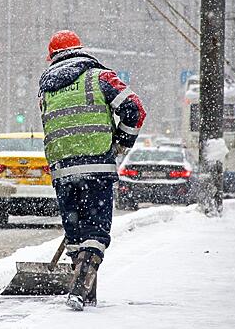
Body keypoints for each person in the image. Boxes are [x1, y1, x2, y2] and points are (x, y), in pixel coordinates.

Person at [38, 30, 146, 310]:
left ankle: (85, 294)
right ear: (81, 51)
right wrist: (122, 142)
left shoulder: (46, 88)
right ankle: (80, 288)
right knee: (95, 234)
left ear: (52, 58)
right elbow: (135, 108)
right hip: (97, 166)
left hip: (62, 169)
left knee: (76, 237)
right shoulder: (100, 77)